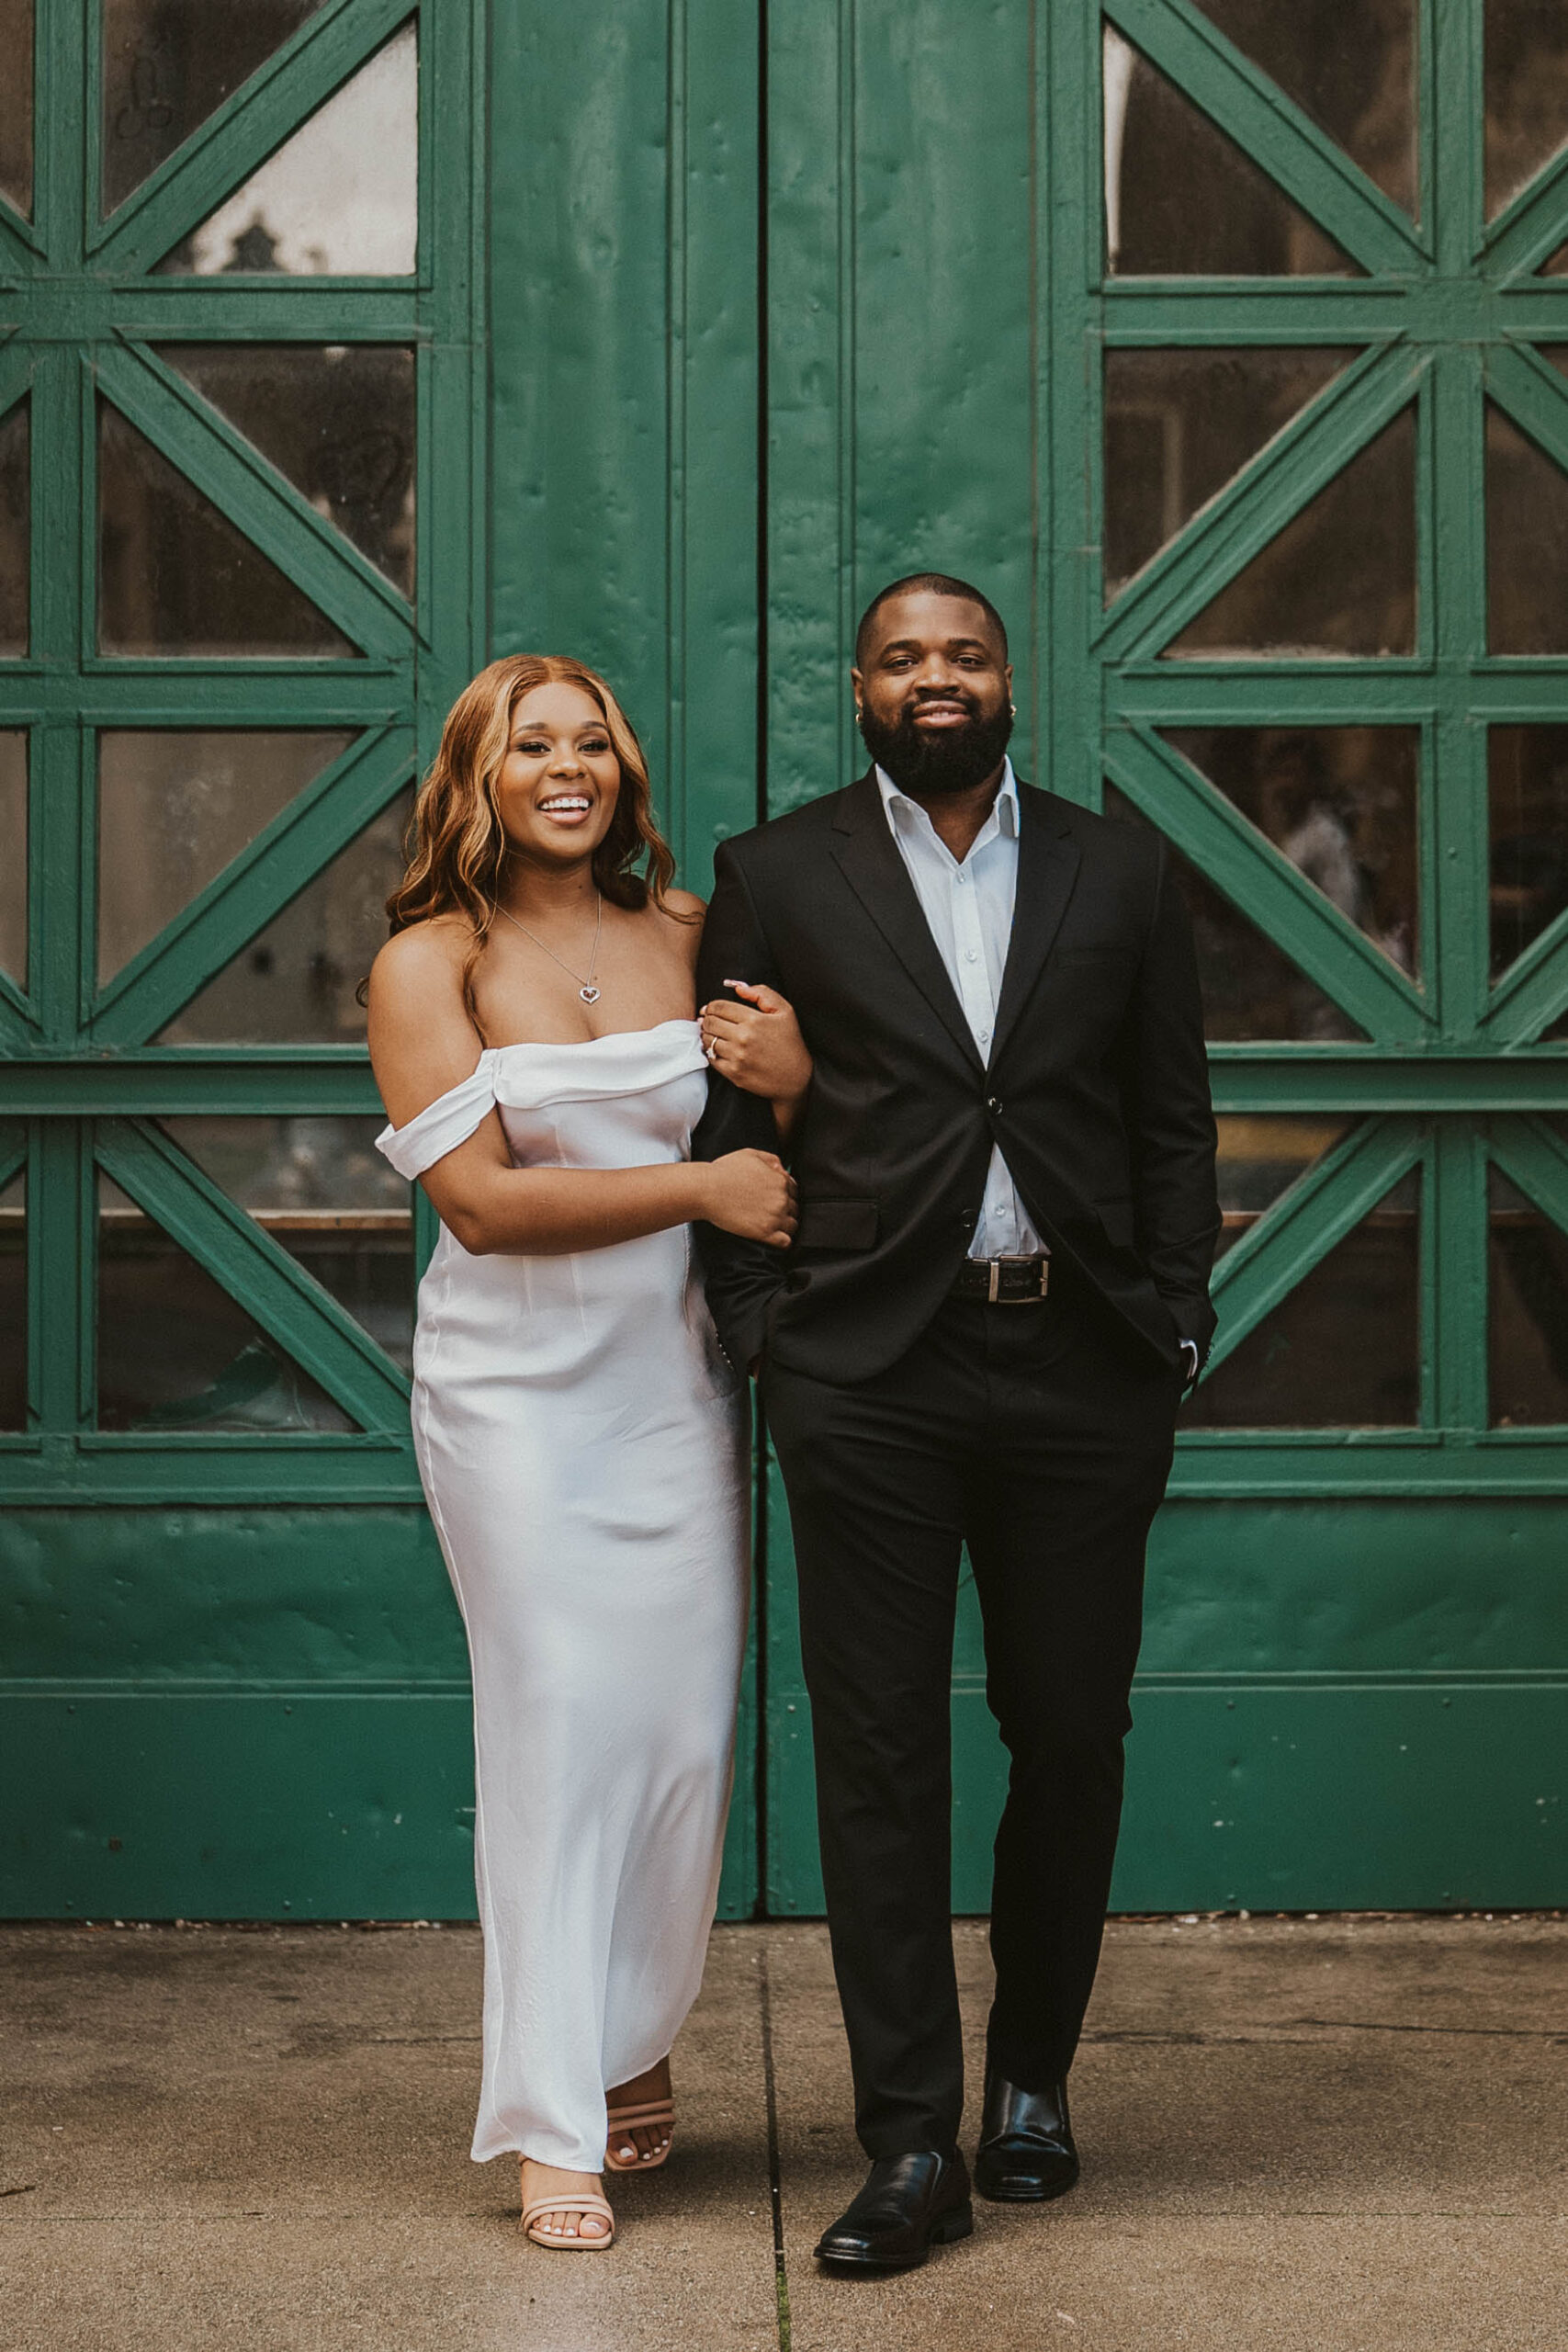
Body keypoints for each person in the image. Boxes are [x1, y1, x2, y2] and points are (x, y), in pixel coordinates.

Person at [694, 573, 1220, 2273]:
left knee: (1069, 1733)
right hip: (872, 1377)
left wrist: (1178, 1321)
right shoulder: (776, 874)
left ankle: (1033, 2089)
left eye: (968, 653)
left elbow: (1170, 1118)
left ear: (1011, 681)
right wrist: (771, 1335)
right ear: (860, 687)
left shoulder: (1119, 868)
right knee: (880, 1754)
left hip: (1082, 1367)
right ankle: (910, 2141)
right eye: (906, 655)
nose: (938, 676)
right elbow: (728, 1129)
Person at [367, 654, 810, 2253]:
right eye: (529, 747)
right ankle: (553, 2108)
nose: (569, 769)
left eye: (592, 744)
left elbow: (794, 1121)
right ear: (475, 780)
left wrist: (795, 1089)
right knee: (557, 1734)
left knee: (678, 1742)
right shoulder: (433, 964)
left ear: (623, 768)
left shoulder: (693, 936)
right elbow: (479, 1205)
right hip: (517, 1406)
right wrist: (699, 1195)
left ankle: (630, 2036)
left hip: (671, 1393)